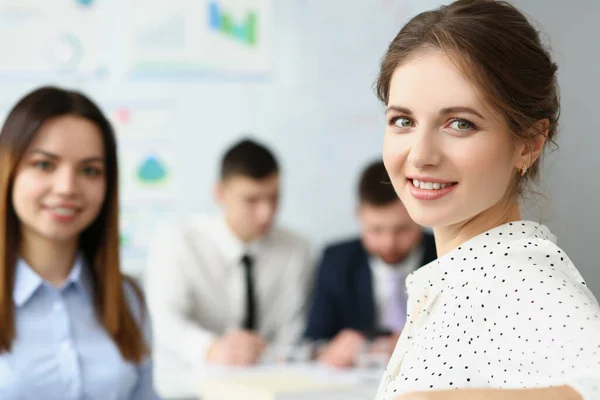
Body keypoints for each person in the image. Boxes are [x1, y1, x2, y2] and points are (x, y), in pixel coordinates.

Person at [373, 0, 600, 399]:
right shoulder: (463, 273)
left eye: (460, 123)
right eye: (403, 121)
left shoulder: (516, 276)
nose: (421, 154)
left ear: (528, 143)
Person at [0, 87, 160, 399]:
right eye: (44, 165)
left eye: (90, 170)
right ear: (9, 171)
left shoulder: (128, 299)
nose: (66, 187)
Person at [146, 138, 313, 373]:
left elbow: (292, 330)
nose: (266, 214)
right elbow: (164, 321)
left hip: (269, 378)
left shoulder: (296, 249)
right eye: (251, 200)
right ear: (219, 193)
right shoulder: (178, 242)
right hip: (191, 378)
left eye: (274, 198)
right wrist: (211, 348)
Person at [304, 160, 436, 368]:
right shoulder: (337, 261)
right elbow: (312, 340)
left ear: (420, 215)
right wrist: (328, 350)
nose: (389, 243)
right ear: (360, 216)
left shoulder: (445, 257)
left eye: (402, 230)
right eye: (376, 230)